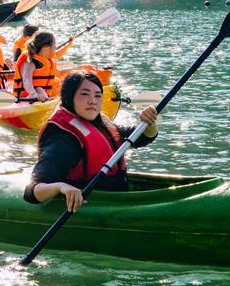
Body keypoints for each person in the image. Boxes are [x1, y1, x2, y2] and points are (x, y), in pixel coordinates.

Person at [25, 71, 159, 210]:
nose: (92, 101)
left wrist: (150, 123)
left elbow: (141, 138)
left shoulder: (99, 121)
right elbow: (32, 192)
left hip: (114, 199)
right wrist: (61, 187)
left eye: (97, 96)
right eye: (84, 94)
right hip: (92, 204)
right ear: (69, 97)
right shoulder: (63, 138)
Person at [14, 30, 60, 101]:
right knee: (39, 89)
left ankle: (47, 99)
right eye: (54, 44)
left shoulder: (48, 63)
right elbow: (26, 81)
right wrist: (33, 94)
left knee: (45, 88)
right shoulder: (30, 62)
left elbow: (59, 73)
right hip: (26, 99)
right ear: (46, 47)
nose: (56, 47)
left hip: (41, 98)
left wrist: (78, 68)